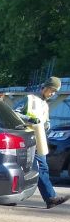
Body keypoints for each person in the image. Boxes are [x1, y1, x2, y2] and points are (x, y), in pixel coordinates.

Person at [16, 76, 67, 209]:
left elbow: (46, 121)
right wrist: (30, 120)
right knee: (28, 169)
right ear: (44, 87)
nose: (53, 94)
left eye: (55, 92)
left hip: (38, 140)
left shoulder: (45, 104)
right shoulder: (30, 99)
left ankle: (50, 198)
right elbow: (14, 113)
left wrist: (47, 125)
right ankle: (50, 198)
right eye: (51, 90)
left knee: (42, 168)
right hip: (26, 140)